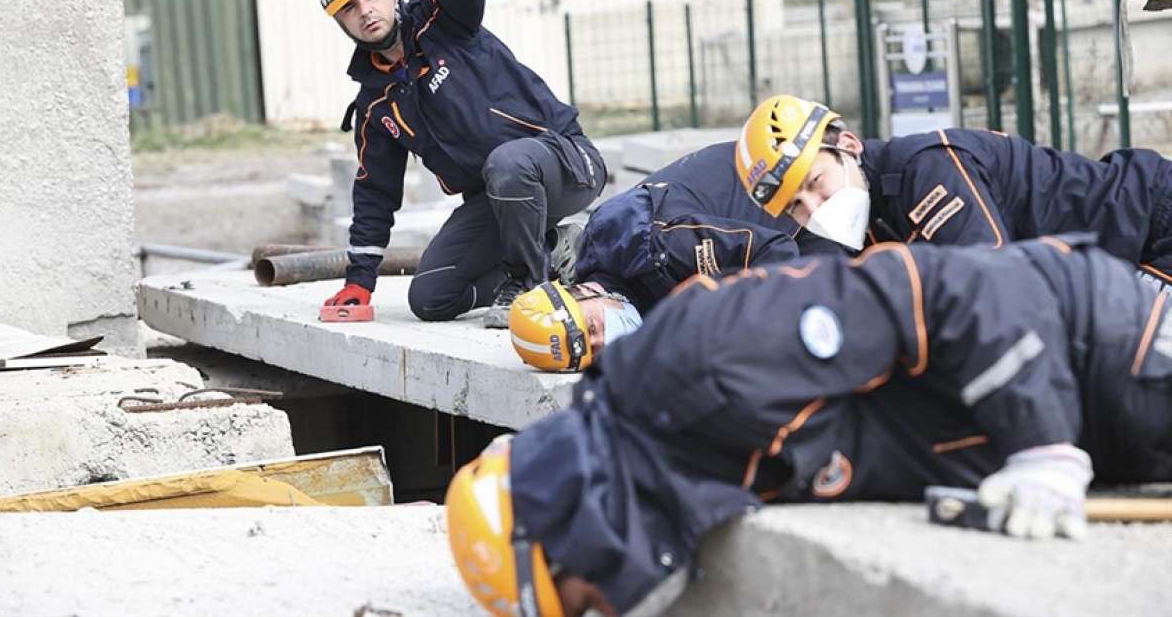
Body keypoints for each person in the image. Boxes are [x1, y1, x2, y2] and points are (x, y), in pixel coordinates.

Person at [446, 234, 1172, 616]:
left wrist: (1038, 441)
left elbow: (959, 288)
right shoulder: (672, 469)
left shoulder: (695, 363)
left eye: (580, 600)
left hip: (1105, 350)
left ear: (572, 524)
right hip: (1090, 427)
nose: (606, 607)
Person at [315, 0, 606, 328]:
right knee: (430, 297)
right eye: (349, 7)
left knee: (508, 164)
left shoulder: (441, 21)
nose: (365, 11)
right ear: (340, 22)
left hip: (565, 162)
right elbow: (375, 192)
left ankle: (527, 284)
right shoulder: (376, 103)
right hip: (496, 198)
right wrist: (359, 281)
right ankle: (555, 252)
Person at [733, 94, 1172, 287]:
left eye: (815, 183)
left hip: (1149, 227)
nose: (815, 209)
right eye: (796, 207)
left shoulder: (926, 170)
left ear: (848, 145)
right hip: (1111, 267)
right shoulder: (866, 223)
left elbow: (992, 283)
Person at [507, 142, 842, 372]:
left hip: (797, 199)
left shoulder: (655, 247)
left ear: (585, 292)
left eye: (592, 326)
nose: (603, 339)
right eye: (593, 350)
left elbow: (774, 252)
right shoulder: (619, 282)